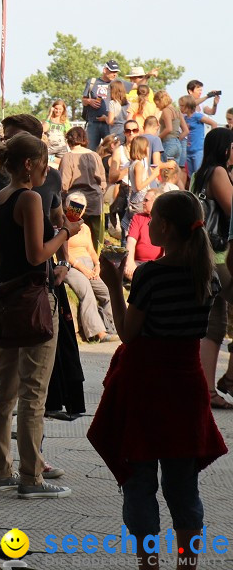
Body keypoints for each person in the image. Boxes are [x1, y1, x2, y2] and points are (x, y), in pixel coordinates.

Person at [88, 191, 226, 569]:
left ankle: (148, 563)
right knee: (182, 487)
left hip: (147, 388)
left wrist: (114, 284)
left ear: (164, 226)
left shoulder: (151, 275)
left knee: (139, 482)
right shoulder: (207, 275)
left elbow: (129, 334)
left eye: (152, 221)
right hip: (186, 386)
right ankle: (187, 563)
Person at [0, 132, 80, 498]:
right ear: (29, 164)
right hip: (33, 300)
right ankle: (30, 477)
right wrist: (65, 233)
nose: (46, 170)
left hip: (5, 298)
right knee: (33, 393)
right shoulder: (29, 199)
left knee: (2, 389)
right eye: (43, 163)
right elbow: (38, 254)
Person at [190, 128, 233, 409]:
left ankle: (207, 389)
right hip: (221, 258)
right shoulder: (218, 173)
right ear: (224, 147)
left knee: (213, 325)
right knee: (215, 324)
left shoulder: (198, 174)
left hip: (205, 256)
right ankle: (228, 379)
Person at [62, 200, 117, 343]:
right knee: (87, 292)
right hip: (72, 265)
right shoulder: (63, 225)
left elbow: (91, 250)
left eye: (81, 207)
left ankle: (111, 326)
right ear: (68, 207)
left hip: (88, 264)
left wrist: (97, 264)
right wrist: (83, 269)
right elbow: (64, 253)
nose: (78, 210)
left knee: (106, 292)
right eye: (75, 205)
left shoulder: (85, 227)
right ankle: (99, 333)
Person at [58, 126, 107, 249]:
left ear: (69, 140)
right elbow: (103, 182)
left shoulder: (68, 157)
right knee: (97, 238)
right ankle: (97, 263)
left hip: (75, 202)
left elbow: (64, 184)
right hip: (95, 201)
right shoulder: (95, 155)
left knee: (73, 237)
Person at [124, 189, 162, 280]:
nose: (143, 202)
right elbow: (131, 242)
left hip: (157, 264)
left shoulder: (163, 220)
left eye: (146, 200)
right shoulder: (138, 218)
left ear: (156, 202)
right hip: (138, 263)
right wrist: (130, 262)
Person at [82, 59, 118, 150]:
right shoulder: (92, 82)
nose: (114, 74)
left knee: (111, 150)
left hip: (109, 123)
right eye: (112, 71)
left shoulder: (117, 83)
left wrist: (147, 76)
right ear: (105, 70)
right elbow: (83, 100)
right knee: (90, 150)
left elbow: (136, 85)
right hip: (93, 123)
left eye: (116, 72)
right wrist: (90, 101)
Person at [182, 94, 218, 176]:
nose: (180, 108)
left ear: (188, 106)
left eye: (182, 106)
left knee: (199, 173)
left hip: (198, 149)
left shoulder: (197, 116)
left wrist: (210, 139)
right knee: (191, 175)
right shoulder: (185, 118)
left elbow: (213, 123)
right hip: (189, 150)